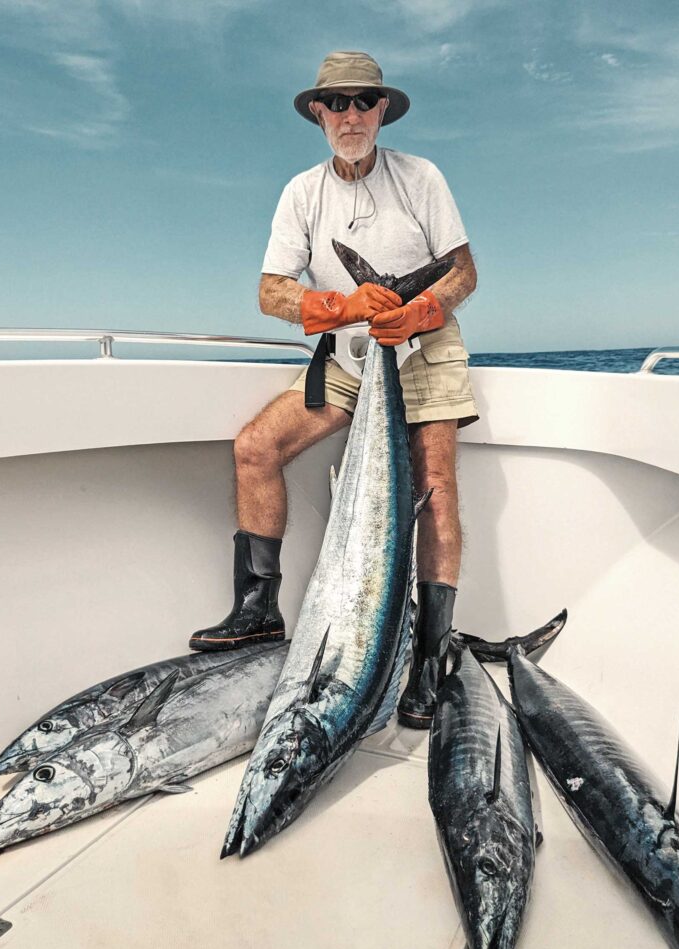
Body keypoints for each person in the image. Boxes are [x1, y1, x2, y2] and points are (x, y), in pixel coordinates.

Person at [189, 51, 479, 729]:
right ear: (319, 114)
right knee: (255, 447)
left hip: (426, 350)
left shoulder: (421, 177)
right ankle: (258, 611)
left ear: (382, 111)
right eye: (337, 104)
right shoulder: (302, 192)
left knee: (435, 490)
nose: (350, 115)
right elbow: (271, 292)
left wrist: (418, 312)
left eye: (363, 102)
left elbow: (463, 274)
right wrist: (342, 308)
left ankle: (431, 659)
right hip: (348, 356)